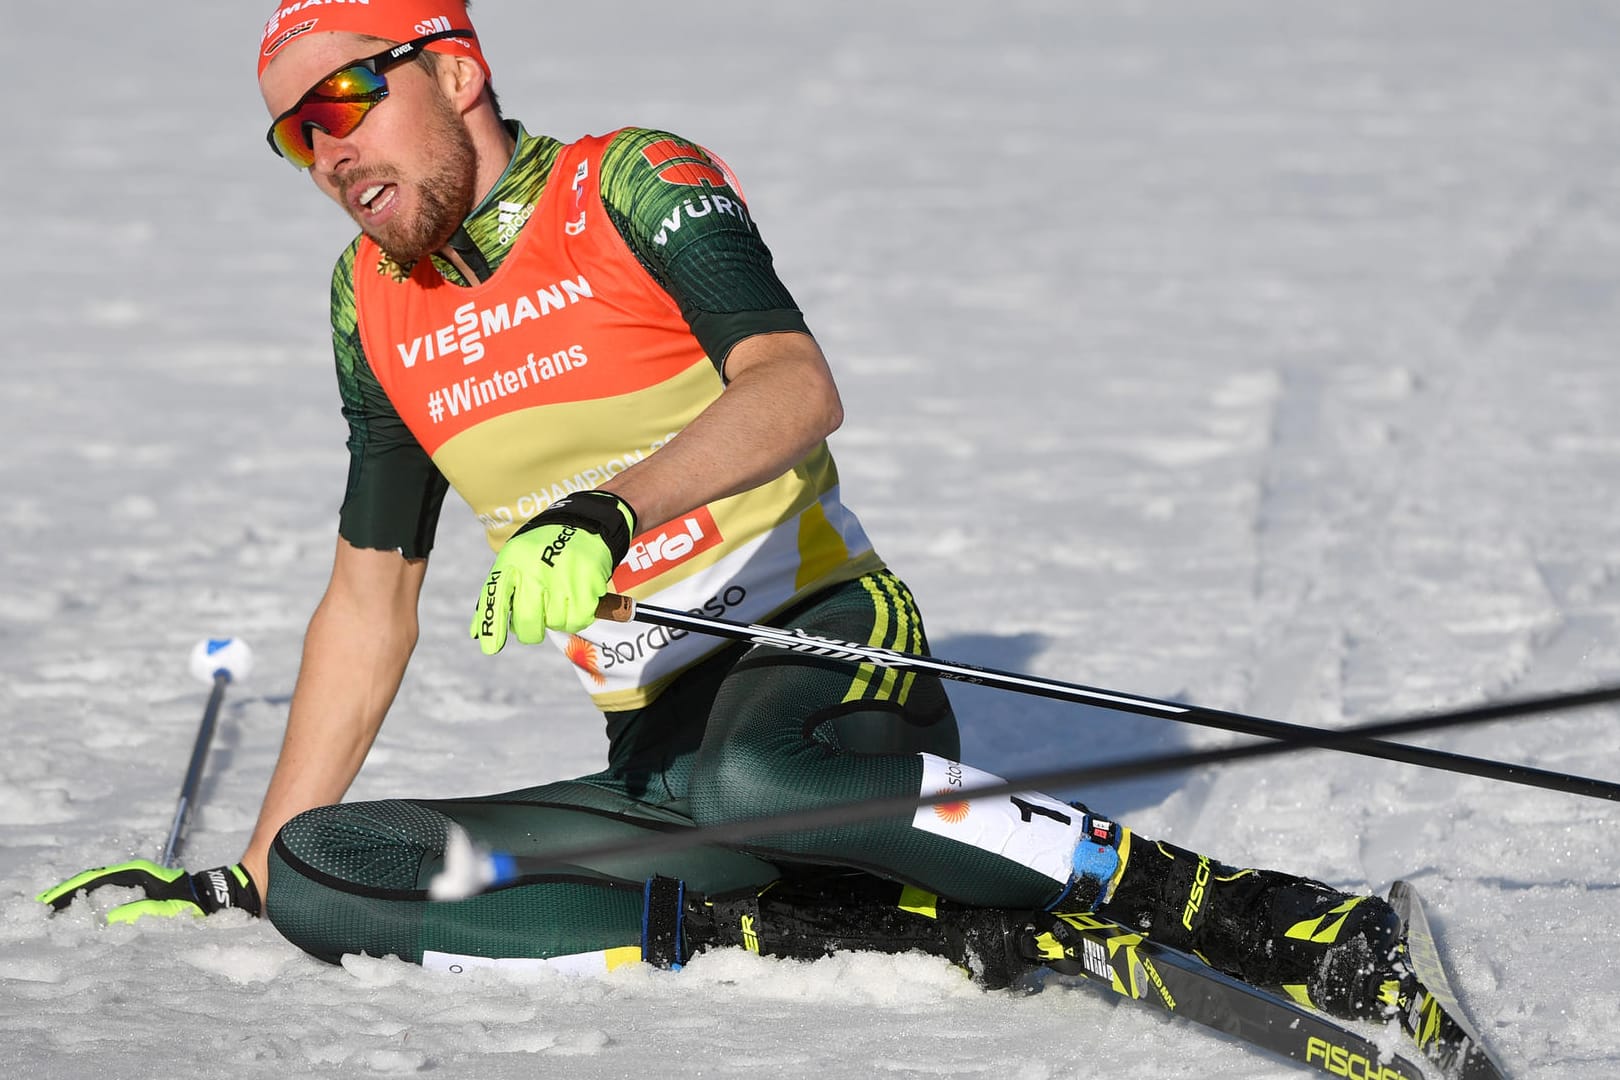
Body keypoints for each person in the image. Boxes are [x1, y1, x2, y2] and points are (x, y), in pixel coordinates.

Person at [40, 0, 1410, 1021]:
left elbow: (793, 386)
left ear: (452, 68)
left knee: (759, 777)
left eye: (346, 97)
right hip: (662, 759)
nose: (328, 150)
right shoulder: (372, 303)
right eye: (295, 134)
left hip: (822, 658)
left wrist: (604, 516)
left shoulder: (627, 184)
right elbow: (367, 592)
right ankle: (830, 925)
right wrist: (254, 863)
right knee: (330, 875)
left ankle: (1233, 912)